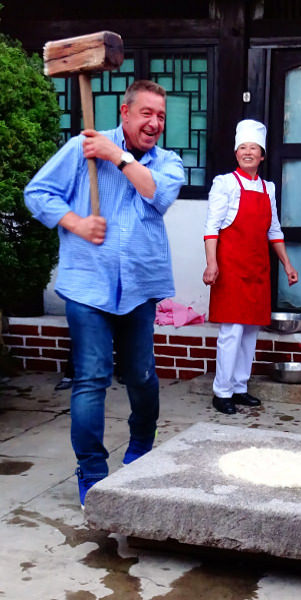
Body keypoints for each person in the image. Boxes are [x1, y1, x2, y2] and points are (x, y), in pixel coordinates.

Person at [24, 80, 185, 507]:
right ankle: (92, 471)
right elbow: (37, 192)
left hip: (140, 286)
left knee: (142, 375)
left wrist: (118, 156)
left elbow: (158, 193)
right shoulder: (83, 147)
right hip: (88, 284)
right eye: (146, 113)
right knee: (91, 378)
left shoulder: (167, 162)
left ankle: (141, 449)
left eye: (161, 116)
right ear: (125, 114)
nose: (154, 123)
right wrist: (75, 222)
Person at [203, 119, 298, 415]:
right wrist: (211, 263)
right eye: (242, 147)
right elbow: (212, 227)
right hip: (230, 267)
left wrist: (287, 264)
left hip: (257, 269)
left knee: (249, 333)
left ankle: (240, 387)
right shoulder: (225, 184)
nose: (247, 152)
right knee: (231, 331)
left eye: (253, 148)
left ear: (262, 155)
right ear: (236, 153)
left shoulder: (267, 189)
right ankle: (222, 391)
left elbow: (274, 231)